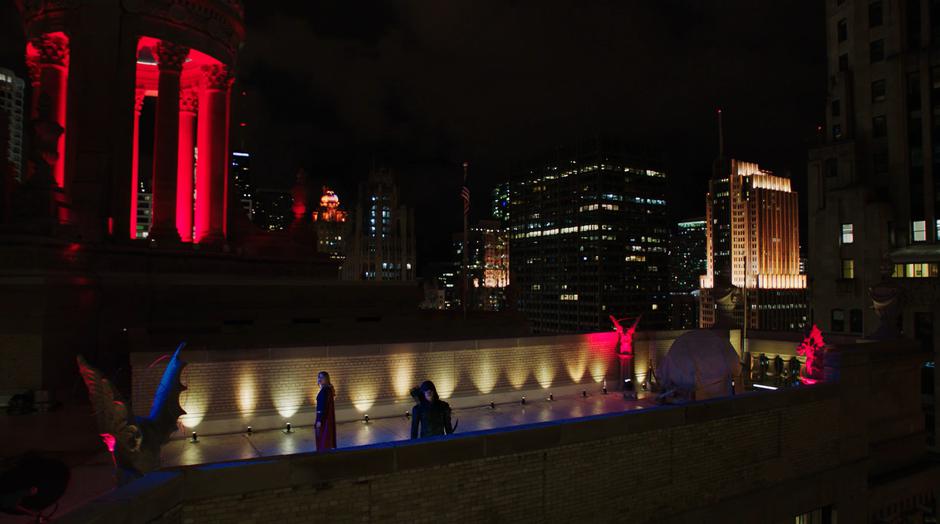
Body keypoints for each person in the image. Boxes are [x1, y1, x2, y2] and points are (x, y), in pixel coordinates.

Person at [314, 371, 336, 451]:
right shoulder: (328, 389)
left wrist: (319, 420)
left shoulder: (324, 391)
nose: (319, 379)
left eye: (322, 377)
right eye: (318, 377)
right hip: (327, 418)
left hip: (323, 419)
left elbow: (322, 407)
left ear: (326, 379)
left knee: (322, 437)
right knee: (326, 437)